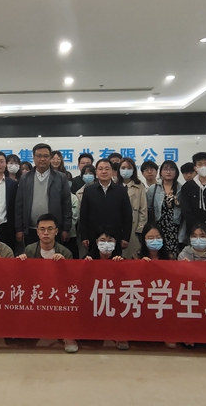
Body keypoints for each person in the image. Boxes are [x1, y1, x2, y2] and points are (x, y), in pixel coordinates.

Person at [17, 214, 75, 352]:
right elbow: (22, 279)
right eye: (42, 229)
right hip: (36, 293)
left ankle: (68, 335)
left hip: (58, 294)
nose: (46, 233)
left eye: (50, 229)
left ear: (56, 231)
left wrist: (64, 266)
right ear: (37, 231)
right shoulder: (29, 250)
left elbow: (72, 282)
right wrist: (20, 264)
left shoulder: (65, 252)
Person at [15, 143, 71, 246]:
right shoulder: (25, 178)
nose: (42, 159)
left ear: (50, 158)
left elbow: (66, 204)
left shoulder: (61, 178)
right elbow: (19, 205)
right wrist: (19, 229)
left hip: (53, 229)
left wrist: (66, 228)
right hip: (30, 229)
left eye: (46, 156)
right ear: (33, 157)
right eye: (39, 156)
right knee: (31, 254)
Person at [79, 159, 132, 258]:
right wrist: (84, 237)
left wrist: (126, 237)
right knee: (95, 262)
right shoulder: (89, 191)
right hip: (94, 237)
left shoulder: (121, 190)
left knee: (115, 262)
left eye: (107, 169)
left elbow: (127, 215)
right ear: (96, 172)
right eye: (100, 169)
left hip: (115, 236)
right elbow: (83, 215)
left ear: (112, 171)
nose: (104, 171)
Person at [84, 227, 126, 349]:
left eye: (110, 240)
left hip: (113, 298)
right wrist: (85, 266)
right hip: (94, 298)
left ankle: (119, 335)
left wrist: (121, 266)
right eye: (102, 240)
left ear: (116, 242)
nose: (106, 243)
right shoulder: (88, 258)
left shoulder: (120, 260)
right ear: (97, 241)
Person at [147, 160, 182, 259]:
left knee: (173, 257)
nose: (168, 172)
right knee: (158, 254)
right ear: (161, 172)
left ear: (176, 172)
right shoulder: (153, 188)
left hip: (175, 228)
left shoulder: (181, 189)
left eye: (172, 169)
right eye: (165, 169)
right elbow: (148, 208)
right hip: (158, 227)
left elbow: (184, 211)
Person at [119, 158, 148, 259]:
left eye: (129, 168)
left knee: (132, 257)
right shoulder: (114, 185)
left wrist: (140, 229)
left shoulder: (139, 186)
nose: (126, 170)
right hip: (117, 227)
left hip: (134, 229)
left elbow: (143, 210)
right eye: (123, 168)